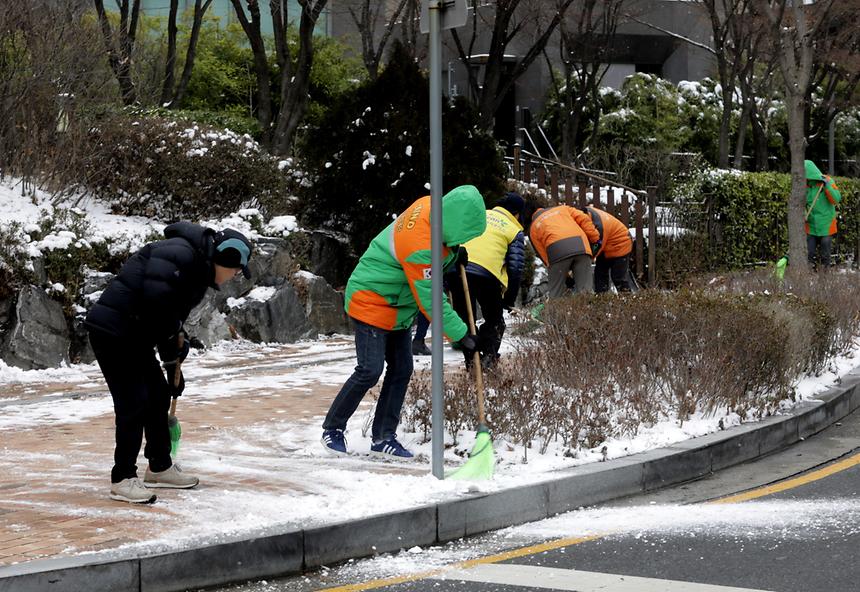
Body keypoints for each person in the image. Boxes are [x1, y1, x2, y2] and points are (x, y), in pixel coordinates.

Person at [85, 223, 252, 503]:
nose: (234, 277)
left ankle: (159, 466)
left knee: (158, 394)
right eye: (235, 271)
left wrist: (174, 358)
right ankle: (123, 477)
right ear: (226, 258)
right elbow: (157, 304)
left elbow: (168, 316)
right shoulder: (181, 255)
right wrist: (172, 343)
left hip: (134, 333)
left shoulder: (197, 266)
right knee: (133, 402)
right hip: (114, 332)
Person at [321, 185, 486, 459]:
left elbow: (441, 248)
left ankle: (383, 437)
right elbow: (432, 299)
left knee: (401, 369)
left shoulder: (431, 207)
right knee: (369, 370)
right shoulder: (420, 247)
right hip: (371, 300)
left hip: (397, 307)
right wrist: (462, 336)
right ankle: (332, 429)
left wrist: (454, 254)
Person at [448, 192, 526, 368]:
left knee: (465, 321)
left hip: (458, 269)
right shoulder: (514, 229)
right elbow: (515, 268)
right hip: (487, 275)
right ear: (517, 213)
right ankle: (488, 358)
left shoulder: (480, 215)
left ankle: (472, 363)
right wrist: (509, 299)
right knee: (495, 321)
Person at [529, 204, 600, 297]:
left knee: (556, 294)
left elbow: (544, 256)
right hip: (581, 247)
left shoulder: (533, 227)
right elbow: (583, 218)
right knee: (585, 292)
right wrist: (594, 238)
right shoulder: (564, 209)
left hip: (556, 252)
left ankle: (556, 310)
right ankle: (587, 310)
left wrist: (564, 275)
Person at [580, 205, 635, 293]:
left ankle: (627, 302)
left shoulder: (599, 225)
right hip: (607, 246)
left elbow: (597, 246)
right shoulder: (588, 214)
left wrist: (586, 260)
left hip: (621, 244)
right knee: (600, 275)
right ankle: (602, 300)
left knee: (618, 277)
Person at [804, 159, 842, 269]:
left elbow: (836, 199)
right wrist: (804, 213)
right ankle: (808, 278)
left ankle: (825, 278)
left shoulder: (828, 181)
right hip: (811, 225)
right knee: (808, 254)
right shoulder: (804, 186)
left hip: (826, 225)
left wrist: (827, 187)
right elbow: (800, 204)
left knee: (825, 255)